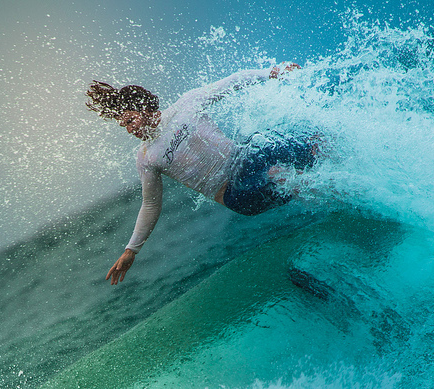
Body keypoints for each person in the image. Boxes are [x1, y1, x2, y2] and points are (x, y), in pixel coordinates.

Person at [86, 63, 317, 285]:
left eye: (130, 120)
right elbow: (150, 204)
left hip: (249, 163)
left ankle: (336, 170)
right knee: (269, 162)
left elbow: (231, 82)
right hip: (237, 197)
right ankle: (325, 171)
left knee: (301, 164)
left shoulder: (186, 106)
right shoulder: (147, 157)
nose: (129, 129)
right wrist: (131, 250)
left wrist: (272, 73)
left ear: (144, 107)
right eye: (123, 126)